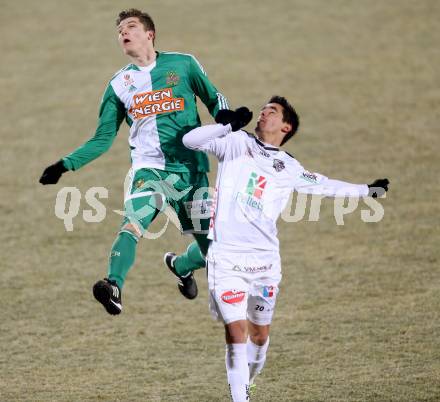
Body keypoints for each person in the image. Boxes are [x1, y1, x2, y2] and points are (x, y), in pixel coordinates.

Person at [181, 96, 389, 401]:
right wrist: (226, 125)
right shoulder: (235, 141)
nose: (263, 113)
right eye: (263, 109)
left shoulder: (289, 166)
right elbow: (189, 140)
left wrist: (366, 190)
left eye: (272, 111)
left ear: (286, 126)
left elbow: (324, 184)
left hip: (265, 263)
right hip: (227, 259)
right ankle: (240, 398)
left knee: (259, 336)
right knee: (235, 332)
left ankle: (245, 384)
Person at [39, 9, 229, 315]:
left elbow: (214, 99)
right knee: (132, 223)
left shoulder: (183, 64)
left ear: (149, 34)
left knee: (215, 251)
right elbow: (102, 139)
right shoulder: (118, 84)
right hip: (148, 170)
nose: (123, 33)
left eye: (130, 27)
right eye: (119, 31)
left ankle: (181, 265)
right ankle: (113, 284)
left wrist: (227, 118)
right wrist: (65, 164)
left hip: (192, 171)